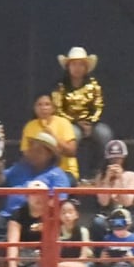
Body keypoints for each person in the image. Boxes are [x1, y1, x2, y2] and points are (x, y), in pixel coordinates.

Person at [0, 131, 71, 241]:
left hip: (35, 218)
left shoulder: (58, 175)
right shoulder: (20, 167)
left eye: (38, 151)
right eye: (32, 149)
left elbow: (58, 201)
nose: (32, 153)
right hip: (8, 214)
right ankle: (10, 254)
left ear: (49, 155)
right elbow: (1, 179)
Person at [52, 46, 113, 180]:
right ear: (68, 67)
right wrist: (75, 122)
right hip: (70, 123)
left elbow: (98, 105)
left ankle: (97, 171)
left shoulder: (93, 85)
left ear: (86, 67)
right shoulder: (60, 86)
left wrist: (91, 122)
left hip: (92, 122)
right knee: (73, 136)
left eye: (81, 64)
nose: (77, 68)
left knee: (105, 134)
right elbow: (58, 109)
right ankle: (72, 173)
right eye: (74, 64)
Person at [21, 93, 79, 182]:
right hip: (38, 172)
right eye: (39, 105)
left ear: (53, 108)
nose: (43, 108)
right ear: (34, 108)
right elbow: (26, 155)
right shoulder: (30, 126)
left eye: (47, 104)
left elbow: (71, 152)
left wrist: (53, 136)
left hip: (65, 171)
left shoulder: (63, 123)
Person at [89, 139, 134, 238]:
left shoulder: (133, 176)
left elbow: (127, 202)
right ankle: (100, 252)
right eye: (112, 159)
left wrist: (120, 179)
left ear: (124, 158)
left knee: (131, 223)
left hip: (126, 213)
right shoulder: (100, 176)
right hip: (107, 214)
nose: (115, 162)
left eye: (118, 158)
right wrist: (107, 179)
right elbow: (103, 202)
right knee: (97, 223)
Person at [56, 198, 93, 267]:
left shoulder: (83, 231)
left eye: (70, 212)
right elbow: (57, 256)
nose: (67, 215)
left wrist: (67, 265)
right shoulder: (57, 232)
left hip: (83, 264)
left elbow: (83, 257)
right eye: (63, 212)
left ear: (76, 214)